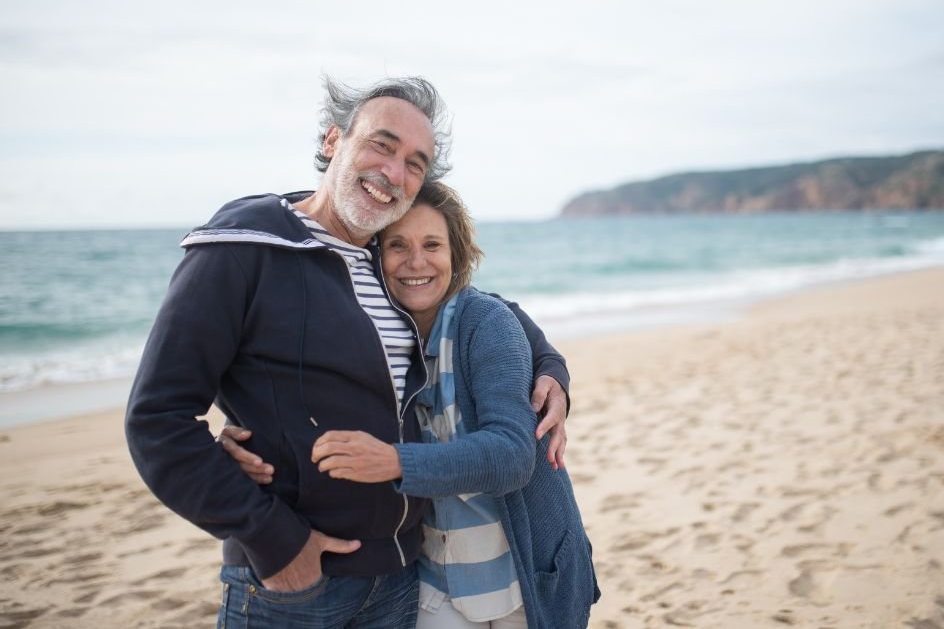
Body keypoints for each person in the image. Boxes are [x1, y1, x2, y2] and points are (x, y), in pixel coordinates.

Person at [124, 76, 571, 629]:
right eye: (382, 144)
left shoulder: (382, 261)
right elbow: (157, 419)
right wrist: (276, 544)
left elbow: (480, 306)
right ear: (333, 141)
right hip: (296, 586)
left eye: (415, 162)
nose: (394, 172)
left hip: (406, 577)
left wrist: (550, 367)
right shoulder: (243, 249)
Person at [232, 182, 599, 628]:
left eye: (432, 245)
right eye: (397, 245)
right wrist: (243, 438)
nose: (416, 262)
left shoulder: (484, 323)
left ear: (456, 254)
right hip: (435, 580)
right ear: (373, 256)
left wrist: (395, 461)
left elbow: (512, 457)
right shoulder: (376, 333)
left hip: (521, 578)